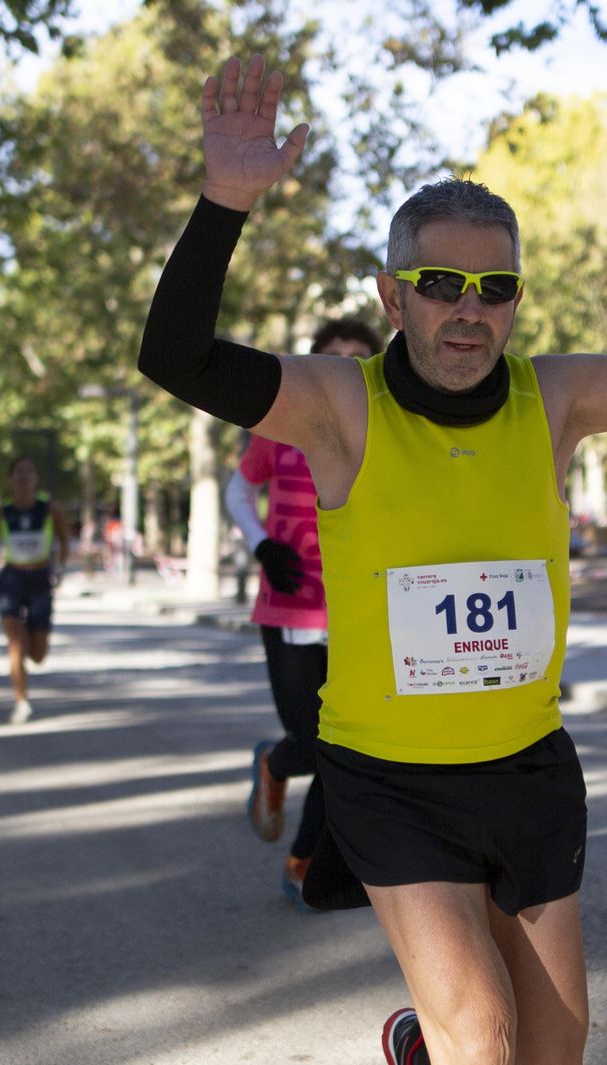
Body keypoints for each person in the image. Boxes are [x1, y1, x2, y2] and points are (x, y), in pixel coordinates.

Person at [138, 54, 607, 1065]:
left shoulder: (553, 398)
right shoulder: (339, 406)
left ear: (515, 301)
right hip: (391, 778)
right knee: (483, 1037)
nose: (468, 309)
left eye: (494, 288)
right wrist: (223, 204)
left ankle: (418, 1046)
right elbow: (175, 357)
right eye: (440, 285)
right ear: (393, 297)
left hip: (527, 768)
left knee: (552, 1049)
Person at [225, 316, 383, 908]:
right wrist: (261, 545)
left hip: (357, 609)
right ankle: (274, 761)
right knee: (314, 742)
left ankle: (302, 865)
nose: (346, 366)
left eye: (358, 356)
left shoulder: (386, 429)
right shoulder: (282, 424)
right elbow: (238, 491)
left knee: (340, 750)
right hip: (290, 609)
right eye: (333, 355)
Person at [0, 457, 71, 724]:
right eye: (19, 471)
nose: (24, 476)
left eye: (29, 471)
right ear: (11, 478)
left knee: (37, 655)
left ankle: (29, 640)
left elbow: (64, 540)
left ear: (36, 478)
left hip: (40, 580)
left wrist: (60, 568)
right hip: (12, 579)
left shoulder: (50, 509)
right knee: (16, 643)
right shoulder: (1, 513)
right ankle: (21, 702)